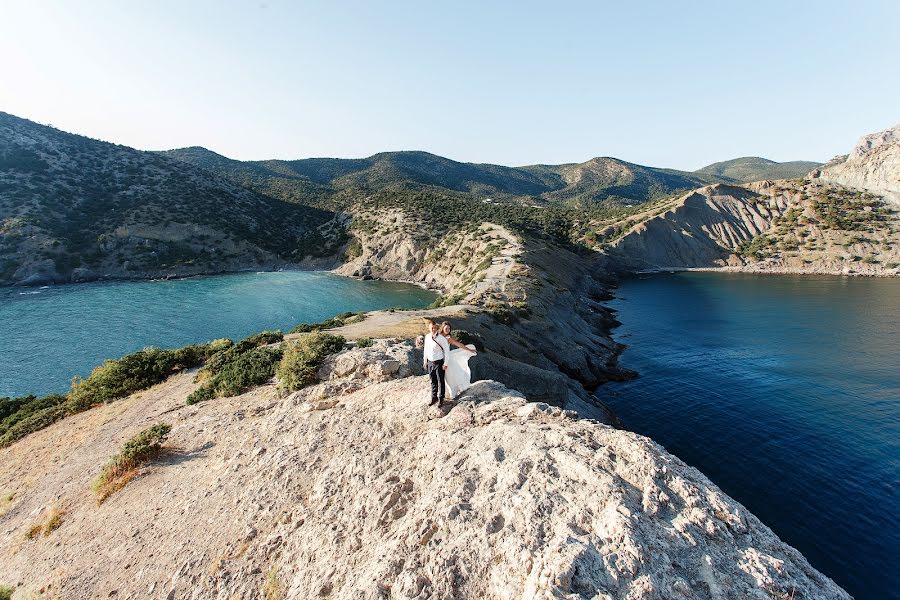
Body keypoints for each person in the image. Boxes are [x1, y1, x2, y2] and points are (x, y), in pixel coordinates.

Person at [440, 322, 477, 399]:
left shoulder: (448, 338)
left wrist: (469, 350)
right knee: (443, 377)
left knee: (449, 376)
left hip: (447, 359)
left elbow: (459, 345)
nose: (447, 330)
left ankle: (452, 393)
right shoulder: (438, 337)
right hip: (439, 359)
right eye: (446, 328)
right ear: (442, 328)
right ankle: (447, 393)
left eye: (449, 328)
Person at [423, 320, 451, 407]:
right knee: (433, 381)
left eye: (435, 328)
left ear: (437, 328)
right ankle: (434, 397)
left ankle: (441, 399)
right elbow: (426, 349)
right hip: (430, 362)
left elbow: (447, 351)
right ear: (429, 328)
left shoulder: (441, 339)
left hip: (439, 363)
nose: (433, 329)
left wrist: (445, 363)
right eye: (431, 328)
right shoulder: (427, 337)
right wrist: (425, 361)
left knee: (440, 381)